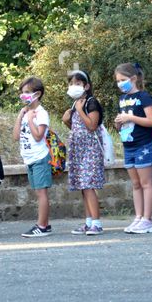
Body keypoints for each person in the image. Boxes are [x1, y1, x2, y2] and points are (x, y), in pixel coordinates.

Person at [113, 63, 152, 233]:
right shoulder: (122, 99)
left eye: (123, 80)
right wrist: (119, 123)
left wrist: (130, 117)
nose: (120, 84)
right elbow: (124, 123)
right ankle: (138, 217)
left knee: (146, 183)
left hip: (143, 145)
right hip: (128, 145)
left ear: (133, 79)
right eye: (118, 81)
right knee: (135, 184)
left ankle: (148, 220)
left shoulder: (144, 97)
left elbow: (151, 121)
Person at [63, 70, 106, 235]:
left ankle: (97, 223)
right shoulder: (75, 104)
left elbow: (92, 126)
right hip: (78, 149)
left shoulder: (91, 102)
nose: (74, 87)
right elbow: (75, 127)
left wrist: (80, 111)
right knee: (82, 186)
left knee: (88, 185)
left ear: (86, 86)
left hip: (90, 149)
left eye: (78, 84)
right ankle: (88, 222)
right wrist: (67, 119)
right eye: (71, 83)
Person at [15, 76, 54, 237]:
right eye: (22, 92)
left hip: (39, 157)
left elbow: (38, 136)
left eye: (26, 92)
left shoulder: (41, 113)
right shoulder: (26, 112)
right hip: (29, 158)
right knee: (38, 192)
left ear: (36, 94)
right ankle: (44, 223)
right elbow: (16, 136)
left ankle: (42, 226)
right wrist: (21, 116)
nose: (23, 95)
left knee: (41, 193)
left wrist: (31, 119)